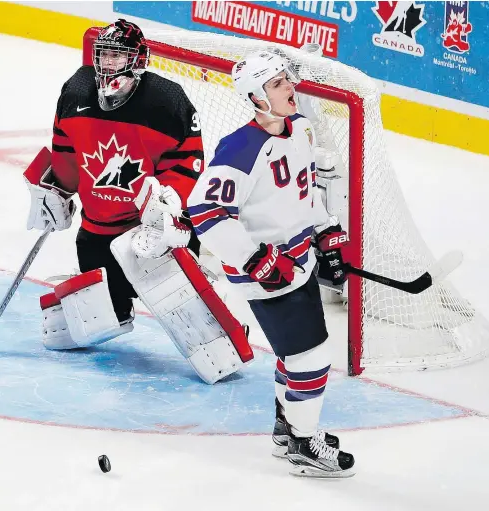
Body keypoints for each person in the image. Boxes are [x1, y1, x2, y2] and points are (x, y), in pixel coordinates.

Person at [23, 19, 251, 384]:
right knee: (68, 330)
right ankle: (116, 305)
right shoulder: (76, 91)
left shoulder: (168, 101)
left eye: (118, 55)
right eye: (104, 55)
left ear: (138, 59)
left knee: (214, 351)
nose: (108, 63)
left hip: (151, 234)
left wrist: (169, 207)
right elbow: (65, 152)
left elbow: (189, 165)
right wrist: (56, 192)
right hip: (97, 230)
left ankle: (219, 315)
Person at [187, 51, 355, 477]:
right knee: (311, 358)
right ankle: (302, 443)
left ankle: (288, 428)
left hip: (296, 262)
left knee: (293, 353)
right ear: (256, 97)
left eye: (287, 80)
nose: (289, 88)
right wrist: (254, 258)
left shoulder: (300, 129)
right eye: (277, 84)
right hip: (267, 272)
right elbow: (205, 212)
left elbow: (302, 193)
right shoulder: (241, 147)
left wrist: (323, 228)